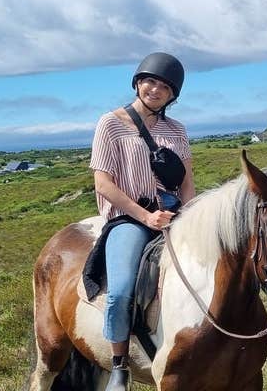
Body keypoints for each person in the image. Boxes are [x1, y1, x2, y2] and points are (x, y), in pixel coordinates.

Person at [89, 52, 195, 390]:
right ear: (138, 82)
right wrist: (146, 215)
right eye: (150, 81)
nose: (156, 89)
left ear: (172, 95)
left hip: (174, 215)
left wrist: (189, 215)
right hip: (131, 219)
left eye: (165, 86)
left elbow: (187, 181)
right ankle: (119, 365)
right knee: (120, 292)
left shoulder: (177, 131)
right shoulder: (111, 123)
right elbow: (103, 183)